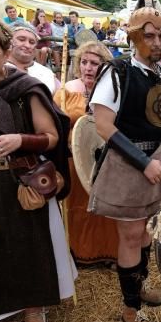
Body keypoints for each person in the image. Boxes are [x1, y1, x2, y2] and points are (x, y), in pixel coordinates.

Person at [0, 11, 74, 322]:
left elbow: (52, 136)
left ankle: (33, 306)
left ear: (5, 52)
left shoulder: (24, 87)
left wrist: (20, 140)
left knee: (28, 246)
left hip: (19, 182)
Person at [89, 4, 161, 322]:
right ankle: (130, 308)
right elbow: (102, 125)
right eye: (149, 35)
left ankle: (140, 282)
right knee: (131, 236)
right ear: (133, 37)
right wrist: (143, 162)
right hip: (128, 164)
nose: (157, 42)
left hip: (158, 163)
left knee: (147, 230)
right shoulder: (117, 72)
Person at [54, 41, 118, 266]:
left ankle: (108, 252)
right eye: (84, 62)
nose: (88, 67)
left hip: (104, 160)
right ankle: (79, 254)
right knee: (78, 207)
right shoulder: (66, 91)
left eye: (95, 63)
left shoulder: (112, 92)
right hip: (74, 160)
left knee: (103, 207)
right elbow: (54, 126)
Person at [8, 23, 59, 94]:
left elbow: (60, 100)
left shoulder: (47, 73)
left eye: (32, 42)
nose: (27, 45)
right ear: (9, 41)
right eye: (21, 39)